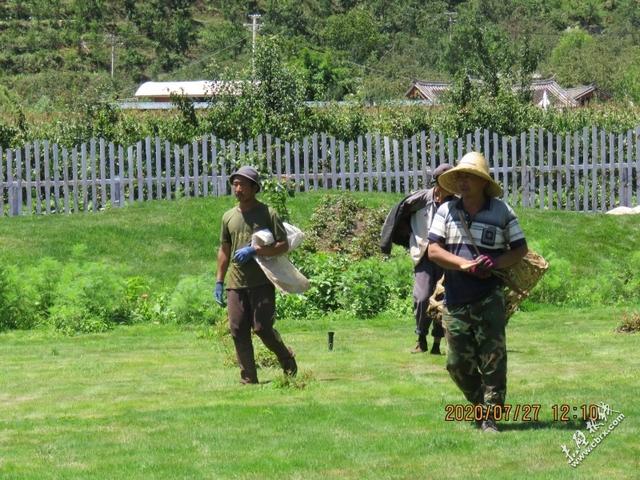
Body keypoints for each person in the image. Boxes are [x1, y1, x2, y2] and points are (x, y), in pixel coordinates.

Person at [427, 152, 528, 433]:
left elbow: (520, 250)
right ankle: (480, 404)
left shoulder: (502, 212)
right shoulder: (446, 211)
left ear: (482, 182)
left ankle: (491, 418)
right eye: (459, 176)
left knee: (493, 360)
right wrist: (464, 264)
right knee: (456, 364)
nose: (461, 181)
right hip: (456, 298)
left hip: (489, 298)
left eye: (467, 176)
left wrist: (495, 262)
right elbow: (433, 250)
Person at [214, 165, 298, 385]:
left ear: (254, 187)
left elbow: (283, 245)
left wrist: (255, 250)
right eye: (235, 183)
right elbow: (224, 250)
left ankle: (286, 358)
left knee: (262, 328)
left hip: (262, 281)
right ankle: (248, 378)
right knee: (237, 329)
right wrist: (219, 282)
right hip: (236, 282)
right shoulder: (228, 217)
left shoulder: (267, 213)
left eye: (242, 184)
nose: (238, 188)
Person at [380, 164, 454, 354]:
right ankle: (421, 337)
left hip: (447, 256)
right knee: (421, 298)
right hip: (424, 255)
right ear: (438, 182)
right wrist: (401, 239)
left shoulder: (456, 203)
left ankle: (437, 343)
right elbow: (398, 214)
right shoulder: (420, 199)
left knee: (443, 299)